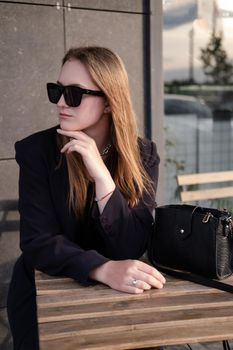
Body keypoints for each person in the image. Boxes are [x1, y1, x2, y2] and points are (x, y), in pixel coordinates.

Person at [7, 46, 166, 349]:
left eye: (75, 94)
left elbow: (132, 244)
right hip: (45, 292)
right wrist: (103, 269)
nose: (62, 103)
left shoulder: (142, 155)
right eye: (57, 91)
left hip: (117, 295)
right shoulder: (36, 151)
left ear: (109, 102)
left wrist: (102, 177)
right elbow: (37, 241)